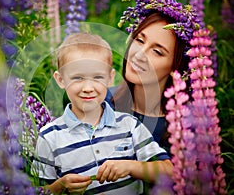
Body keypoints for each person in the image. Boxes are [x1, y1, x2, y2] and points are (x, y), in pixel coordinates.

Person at [31, 32, 172, 195]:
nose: (88, 87)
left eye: (97, 77)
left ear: (110, 78)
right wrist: (59, 186)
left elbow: (168, 171)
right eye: (77, 78)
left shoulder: (129, 125)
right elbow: (37, 191)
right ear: (60, 79)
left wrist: (131, 167)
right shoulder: (49, 137)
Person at [106, 0, 200, 155]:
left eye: (157, 51)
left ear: (177, 66)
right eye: (140, 40)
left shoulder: (187, 126)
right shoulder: (102, 100)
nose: (139, 55)